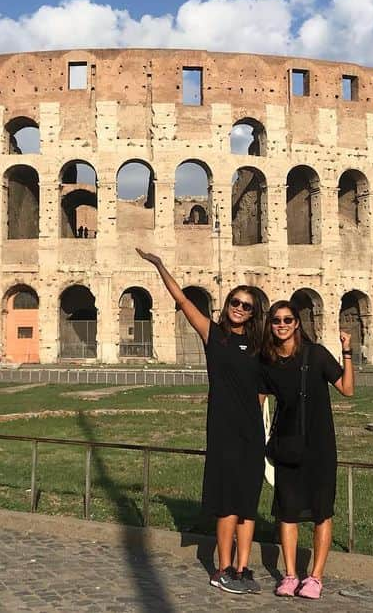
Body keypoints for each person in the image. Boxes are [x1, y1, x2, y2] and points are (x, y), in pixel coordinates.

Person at [137, 247, 267, 595]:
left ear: (254, 313)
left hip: (251, 429)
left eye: (246, 305)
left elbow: (265, 387)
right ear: (226, 307)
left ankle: (242, 567)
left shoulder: (258, 345)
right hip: (223, 427)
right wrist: (161, 265)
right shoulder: (213, 334)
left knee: (247, 504)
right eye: (234, 303)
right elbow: (181, 299)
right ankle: (222, 568)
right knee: (227, 502)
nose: (239, 309)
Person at [261, 300, 354, 600]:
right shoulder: (269, 361)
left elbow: (348, 389)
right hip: (288, 443)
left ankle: (315, 577)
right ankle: (290, 574)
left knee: (321, 512)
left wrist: (347, 351)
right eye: (277, 321)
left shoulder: (316, 355)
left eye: (288, 320)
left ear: (297, 323)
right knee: (286, 513)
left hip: (321, 446)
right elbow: (258, 400)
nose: (282, 325)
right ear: (270, 325)